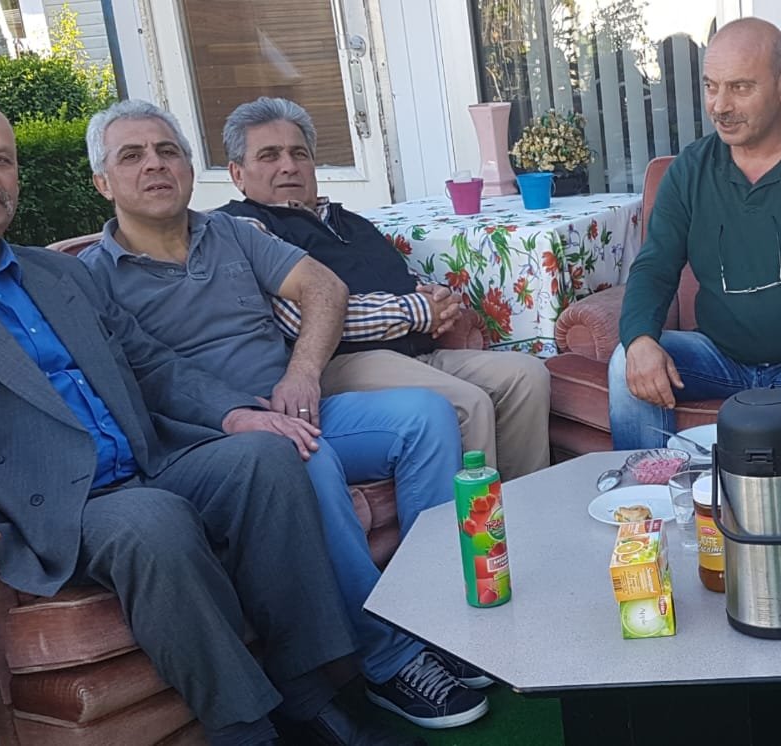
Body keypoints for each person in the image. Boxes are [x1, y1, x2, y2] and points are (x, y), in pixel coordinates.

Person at [0, 95, 410, 746]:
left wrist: (233, 415)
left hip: (147, 461)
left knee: (268, 459)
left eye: (0, 160)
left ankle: (310, 693)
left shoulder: (58, 273)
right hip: (45, 502)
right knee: (151, 520)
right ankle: (246, 731)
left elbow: (150, 365)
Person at [76, 100, 490, 731]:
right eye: (131, 156)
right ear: (103, 182)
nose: (155, 165)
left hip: (294, 406)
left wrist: (302, 373)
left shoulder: (233, 233)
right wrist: (241, 415)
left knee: (426, 417)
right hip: (206, 442)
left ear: (189, 166)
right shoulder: (90, 277)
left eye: (168, 151)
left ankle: (435, 619)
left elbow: (324, 287)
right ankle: (387, 658)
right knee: (303, 460)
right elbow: (139, 375)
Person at [214, 97, 552, 479]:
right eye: (269, 156)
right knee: (467, 402)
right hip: (340, 363)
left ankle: (524, 503)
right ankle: (476, 517)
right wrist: (419, 311)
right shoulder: (245, 227)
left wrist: (438, 299)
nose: (289, 165)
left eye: (299, 153)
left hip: (412, 353)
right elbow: (298, 317)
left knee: (526, 375)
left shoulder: (349, 222)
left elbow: (403, 280)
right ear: (237, 173)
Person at [609, 17, 781, 454]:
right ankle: (650, 491)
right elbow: (654, 267)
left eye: (740, 87)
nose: (720, 106)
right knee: (625, 362)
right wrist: (638, 339)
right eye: (711, 86)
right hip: (717, 357)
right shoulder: (690, 170)